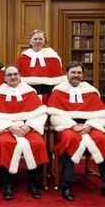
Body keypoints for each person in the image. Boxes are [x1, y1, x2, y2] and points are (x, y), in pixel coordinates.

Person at [0, 64, 49, 200]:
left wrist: (29, 126)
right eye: (9, 75)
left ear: (20, 76)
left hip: (28, 128)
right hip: (6, 129)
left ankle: (33, 183)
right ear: (4, 78)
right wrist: (9, 127)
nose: (13, 77)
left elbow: (41, 113)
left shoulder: (30, 91)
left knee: (38, 143)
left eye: (15, 74)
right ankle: (7, 183)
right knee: (4, 144)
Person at [47, 61, 105, 201]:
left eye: (79, 73)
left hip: (90, 126)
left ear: (82, 75)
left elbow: (102, 114)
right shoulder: (58, 91)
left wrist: (90, 126)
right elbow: (54, 115)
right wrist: (72, 125)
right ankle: (67, 184)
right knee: (70, 139)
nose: (76, 75)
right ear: (66, 74)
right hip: (67, 126)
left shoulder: (90, 91)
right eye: (73, 72)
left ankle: (104, 181)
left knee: (102, 139)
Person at [16, 29, 66, 104]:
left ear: (44, 41)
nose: (38, 41)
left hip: (48, 92)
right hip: (27, 92)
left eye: (40, 39)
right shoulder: (23, 58)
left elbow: (57, 79)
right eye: (35, 39)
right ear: (30, 41)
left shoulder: (52, 56)